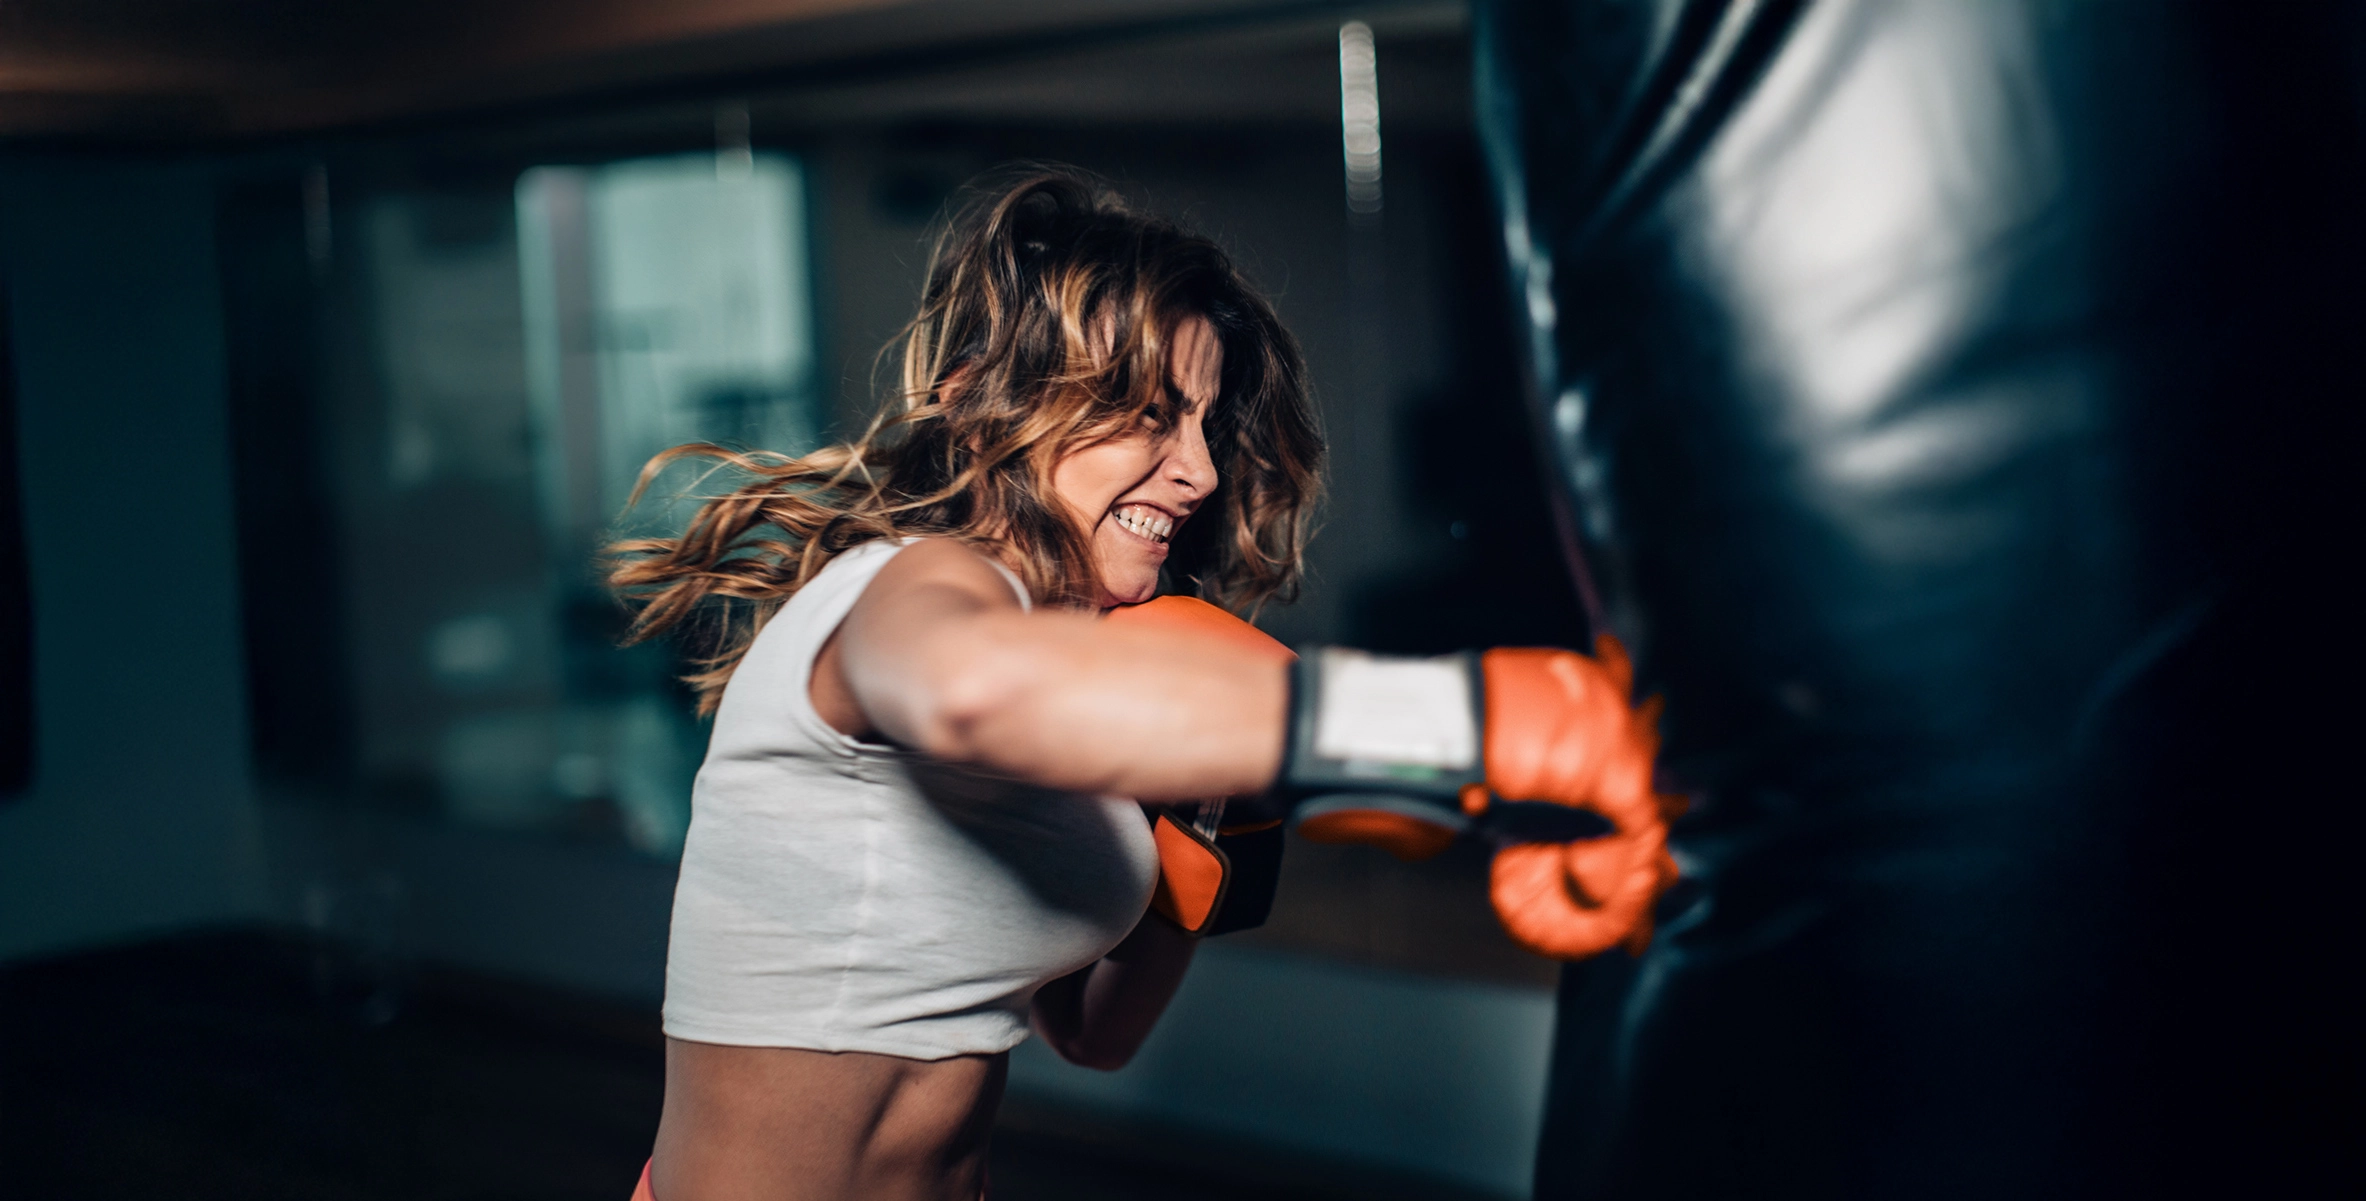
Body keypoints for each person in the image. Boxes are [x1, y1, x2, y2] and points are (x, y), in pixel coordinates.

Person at [609, 168, 1325, 1201]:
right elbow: (960, 688)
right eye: (1151, 416)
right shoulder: (920, 581)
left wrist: (1224, 833)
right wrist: (1330, 721)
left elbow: (1093, 1034)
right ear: (979, 405)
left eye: (1204, 425)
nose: (1199, 471)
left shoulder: (1064, 657)